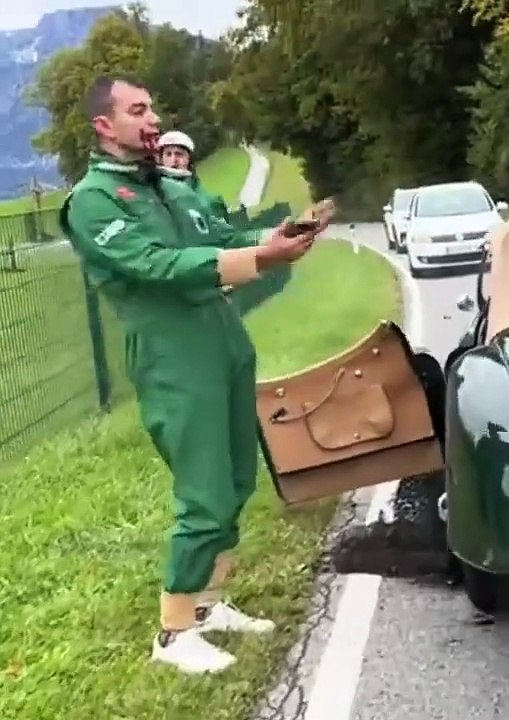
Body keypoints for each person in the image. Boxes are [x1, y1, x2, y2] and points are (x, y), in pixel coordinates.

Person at [57, 74, 333, 674]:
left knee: (235, 479)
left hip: (223, 340)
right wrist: (258, 258)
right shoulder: (93, 201)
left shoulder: (174, 187)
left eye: (153, 107)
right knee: (204, 492)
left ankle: (208, 604)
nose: (152, 118)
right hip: (173, 355)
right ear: (104, 126)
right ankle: (173, 631)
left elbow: (222, 236)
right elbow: (154, 265)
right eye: (137, 110)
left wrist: (278, 236)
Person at [155, 129, 230, 220]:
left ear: (189, 159)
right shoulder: (151, 194)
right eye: (168, 154)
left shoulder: (210, 200)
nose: (173, 160)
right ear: (161, 159)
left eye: (179, 154)